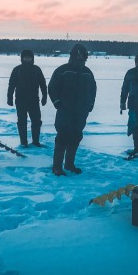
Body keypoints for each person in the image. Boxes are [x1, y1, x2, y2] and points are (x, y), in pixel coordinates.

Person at [47, 44, 97, 176]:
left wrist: (90, 104)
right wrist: (57, 102)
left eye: (82, 55)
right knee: (62, 136)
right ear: (73, 55)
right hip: (65, 110)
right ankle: (56, 167)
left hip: (81, 111)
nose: (80, 58)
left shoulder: (88, 72)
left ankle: (69, 164)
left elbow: (93, 89)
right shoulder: (63, 70)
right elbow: (52, 87)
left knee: (76, 136)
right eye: (77, 55)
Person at [5, 49, 49, 147]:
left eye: (29, 57)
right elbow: (11, 85)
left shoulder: (37, 69)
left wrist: (45, 96)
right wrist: (9, 98)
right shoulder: (17, 70)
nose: (27, 59)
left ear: (32, 58)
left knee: (36, 121)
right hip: (20, 100)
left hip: (34, 100)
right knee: (22, 121)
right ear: (22, 58)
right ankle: (23, 142)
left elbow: (43, 84)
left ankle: (36, 141)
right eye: (25, 57)